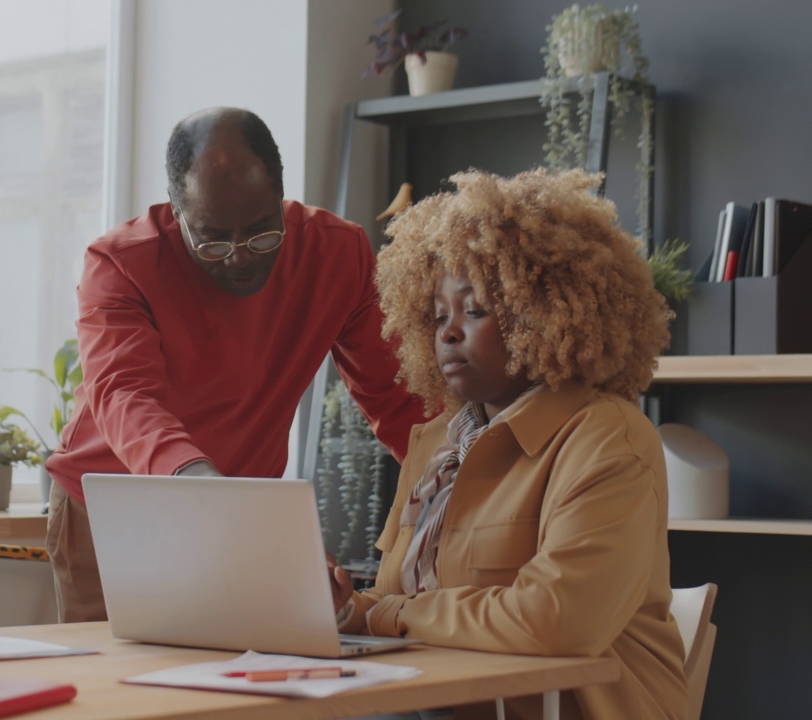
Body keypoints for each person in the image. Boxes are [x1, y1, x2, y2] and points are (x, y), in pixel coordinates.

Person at [44, 107, 428, 623]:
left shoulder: (339, 253)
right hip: (112, 510)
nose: (240, 256)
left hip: (239, 503)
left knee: (244, 687)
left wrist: (464, 480)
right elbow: (123, 397)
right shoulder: (120, 264)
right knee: (120, 692)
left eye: (262, 232)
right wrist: (212, 493)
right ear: (175, 210)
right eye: (212, 238)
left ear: (282, 199)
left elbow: (398, 397)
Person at [329, 169, 688, 719]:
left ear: (540, 315)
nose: (447, 334)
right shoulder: (433, 446)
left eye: (474, 311)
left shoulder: (607, 439)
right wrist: (342, 608)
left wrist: (384, 616)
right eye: (437, 316)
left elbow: (555, 620)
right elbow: (393, 599)